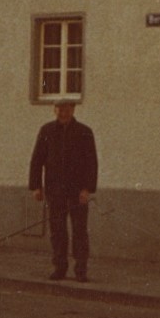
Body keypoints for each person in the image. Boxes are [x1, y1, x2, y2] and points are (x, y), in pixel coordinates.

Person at [28, 100, 98, 282]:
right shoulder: (47, 131)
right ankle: (59, 267)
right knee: (57, 231)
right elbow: (37, 159)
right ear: (54, 110)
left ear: (73, 110)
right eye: (59, 110)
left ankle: (81, 270)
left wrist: (87, 189)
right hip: (54, 190)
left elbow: (91, 162)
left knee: (79, 231)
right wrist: (36, 186)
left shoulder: (84, 132)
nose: (63, 113)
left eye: (67, 110)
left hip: (78, 191)